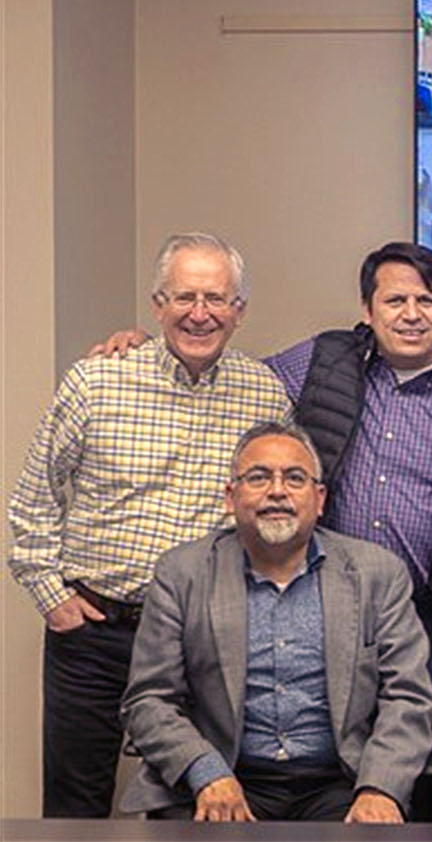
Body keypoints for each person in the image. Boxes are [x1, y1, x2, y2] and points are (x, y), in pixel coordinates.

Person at [93, 240, 432, 820]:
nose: (412, 313)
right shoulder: (321, 361)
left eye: (427, 299)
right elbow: (231, 376)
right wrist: (155, 346)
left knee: (410, 779)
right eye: (395, 299)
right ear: (368, 311)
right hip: (318, 579)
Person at [7, 233, 292, 817]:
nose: (199, 313)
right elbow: (33, 497)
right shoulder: (96, 383)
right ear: (157, 304)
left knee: (198, 797)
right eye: (183, 297)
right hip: (94, 629)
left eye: (216, 298)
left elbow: (276, 506)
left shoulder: (264, 394)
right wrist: (50, 595)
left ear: (239, 312)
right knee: (75, 803)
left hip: (201, 636)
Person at [119, 422, 432, 821]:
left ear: (319, 499)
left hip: (342, 783)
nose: (277, 491)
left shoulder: (377, 574)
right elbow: (149, 700)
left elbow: (409, 696)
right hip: (223, 778)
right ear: (230, 498)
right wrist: (206, 772)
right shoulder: (183, 574)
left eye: (295, 478)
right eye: (258, 477)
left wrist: (380, 787)